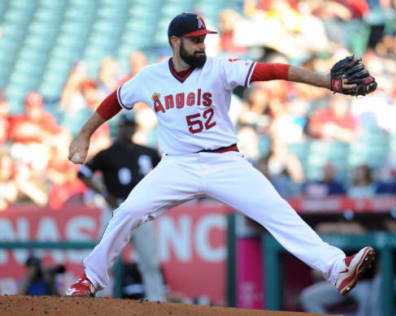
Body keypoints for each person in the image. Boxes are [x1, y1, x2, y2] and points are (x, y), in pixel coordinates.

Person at [66, 13, 376, 297]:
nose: (202, 45)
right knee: (128, 211)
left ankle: (337, 268)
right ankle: (90, 279)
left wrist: (328, 81)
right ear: (175, 41)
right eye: (195, 40)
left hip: (225, 162)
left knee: (278, 213)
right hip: (177, 165)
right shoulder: (150, 77)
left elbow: (276, 70)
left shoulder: (220, 67)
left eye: (204, 39)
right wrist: (84, 133)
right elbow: (115, 101)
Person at [77, 113, 166, 302]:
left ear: (135, 127)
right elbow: (83, 173)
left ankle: (157, 301)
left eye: (131, 125)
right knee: (104, 257)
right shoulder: (107, 153)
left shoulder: (147, 152)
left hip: (141, 210)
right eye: (126, 125)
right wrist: (104, 193)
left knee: (149, 260)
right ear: (120, 128)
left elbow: (166, 171)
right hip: (115, 208)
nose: (129, 129)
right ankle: (98, 300)